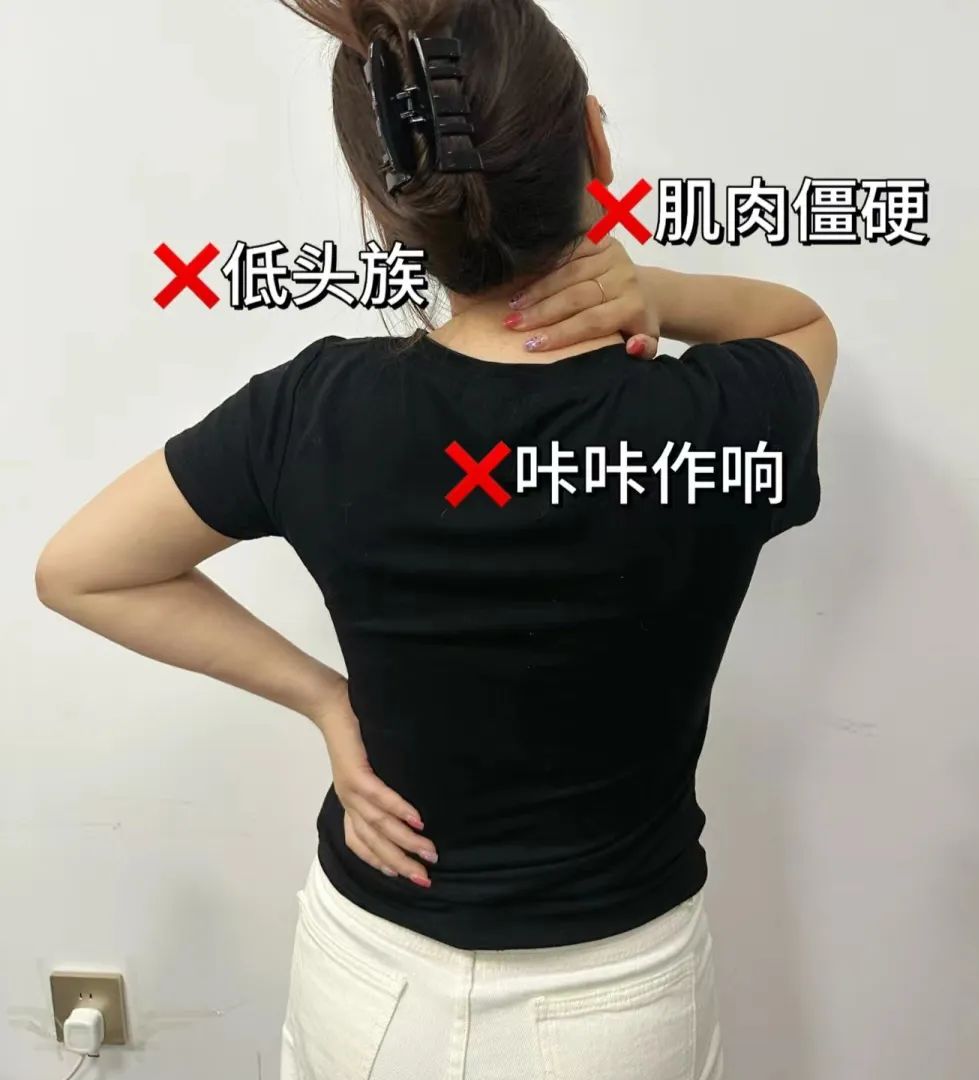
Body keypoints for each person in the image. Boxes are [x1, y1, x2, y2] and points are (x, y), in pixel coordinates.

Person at [34, 0, 837, 1076]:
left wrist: (326, 701)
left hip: (371, 982)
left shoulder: (318, 410)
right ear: (595, 144)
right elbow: (801, 323)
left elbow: (81, 571)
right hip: (618, 1003)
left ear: (389, 205)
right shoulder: (714, 421)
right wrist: (654, 289)